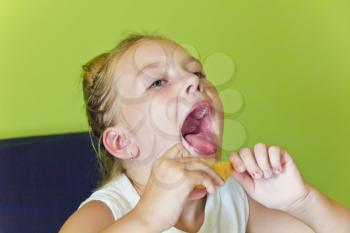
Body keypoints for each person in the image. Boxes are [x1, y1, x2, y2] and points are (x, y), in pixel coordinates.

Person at [59, 33, 350, 233]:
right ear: (122, 142)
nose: (193, 81)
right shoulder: (106, 213)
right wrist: (146, 220)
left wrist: (303, 202)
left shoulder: (235, 198)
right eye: (158, 82)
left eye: (197, 74)